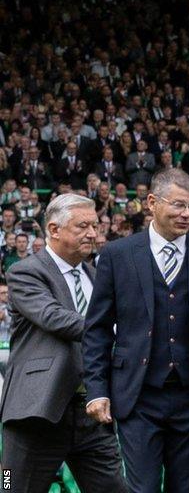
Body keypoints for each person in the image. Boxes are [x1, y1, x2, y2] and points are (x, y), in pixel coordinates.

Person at [83, 168, 189, 493]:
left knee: (186, 488)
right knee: (143, 489)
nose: (187, 215)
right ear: (152, 202)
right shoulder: (116, 255)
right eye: (179, 205)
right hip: (137, 397)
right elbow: (97, 329)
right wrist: (97, 389)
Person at [0, 194, 128, 493]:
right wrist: (119, 330)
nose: (93, 234)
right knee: (9, 485)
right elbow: (54, 317)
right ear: (54, 229)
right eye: (83, 226)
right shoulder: (25, 272)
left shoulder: (97, 275)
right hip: (38, 409)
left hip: (92, 410)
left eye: (95, 226)